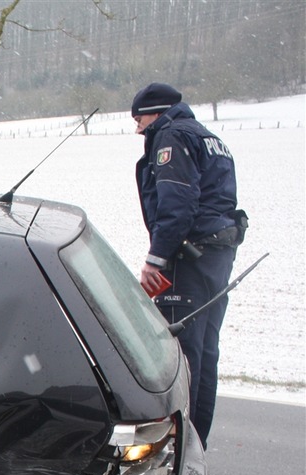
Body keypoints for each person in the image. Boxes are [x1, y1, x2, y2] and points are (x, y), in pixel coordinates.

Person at [132, 82, 245, 448]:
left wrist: (157, 258)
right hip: (218, 255)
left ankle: (177, 452)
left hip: (189, 258)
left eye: (139, 119)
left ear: (157, 113)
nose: (137, 128)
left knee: (181, 355)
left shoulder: (172, 137)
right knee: (205, 351)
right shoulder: (207, 136)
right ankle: (197, 445)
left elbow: (177, 205)